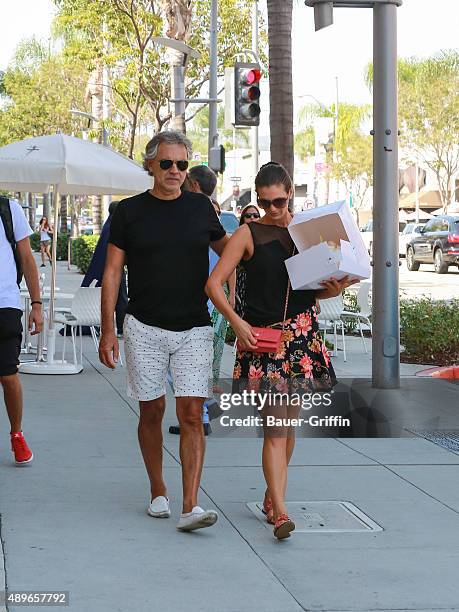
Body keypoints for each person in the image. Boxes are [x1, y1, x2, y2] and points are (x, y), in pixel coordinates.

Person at [206, 162, 357, 540]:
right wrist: (237, 323)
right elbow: (213, 284)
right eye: (265, 201)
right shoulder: (247, 233)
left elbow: (311, 289)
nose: (273, 209)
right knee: (275, 430)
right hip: (266, 342)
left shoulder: (307, 233)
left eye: (280, 201)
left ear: (291, 194)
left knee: (287, 430)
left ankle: (273, 498)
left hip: (303, 339)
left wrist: (333, 290)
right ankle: (280, 512)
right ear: (257, 199)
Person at [99, 131, 229, 532]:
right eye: (167, 163)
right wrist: (108, 329)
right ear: (150, 165)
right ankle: (159, 489)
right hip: (144, 327)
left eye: (182, 164)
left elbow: (232, 251)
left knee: (192, 413)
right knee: (151, 411)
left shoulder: (202, 209)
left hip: (194, 327)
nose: (175, 171)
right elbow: (112, 272)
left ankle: (191, 504)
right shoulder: (128, 212)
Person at [0, 197, 43, 465]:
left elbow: (27, 259)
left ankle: (17, 433)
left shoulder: (8, 209)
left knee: (8, 375)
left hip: (5, 304)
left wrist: (36, 304)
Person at [82, 201, 128, 337]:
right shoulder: (115, 226)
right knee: (121, 299)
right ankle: (121, 328)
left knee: (120, 299)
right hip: (115, 269)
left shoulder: (108, 225)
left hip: (108, 268)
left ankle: (120, 327)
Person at [235, 204, 261, 319]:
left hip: (260, 287)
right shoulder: (237, 239)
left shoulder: (266, 239)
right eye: (248, 215)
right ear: (243, 219)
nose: (252, 218)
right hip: (243, 286)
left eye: (256, 215)